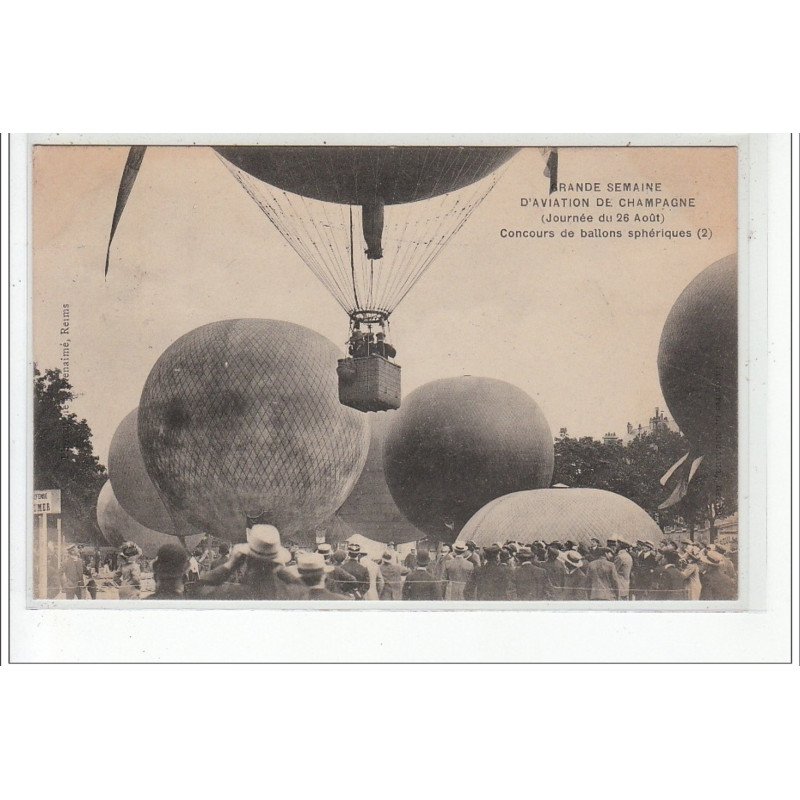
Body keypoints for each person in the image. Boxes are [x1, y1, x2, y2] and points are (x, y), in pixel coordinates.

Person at [188, 524, 300, 600]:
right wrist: (280, 569)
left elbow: (198, 588)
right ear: (277, 561)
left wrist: (230, 566)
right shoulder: (293, 594)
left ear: (247, 559)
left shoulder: (231, 593)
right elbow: (300, 584)